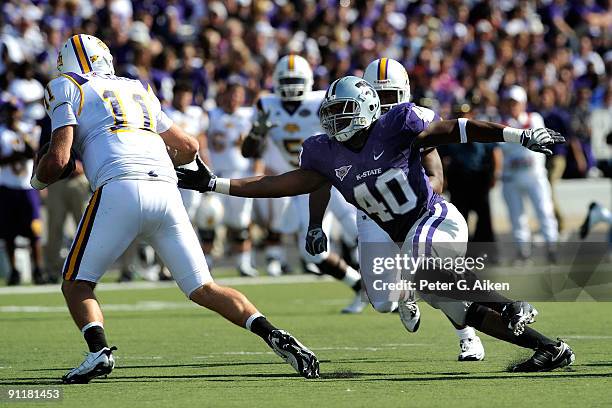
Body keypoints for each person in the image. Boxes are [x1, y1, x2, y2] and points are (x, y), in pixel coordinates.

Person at [177, 75, 574, 372]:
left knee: (424, 271)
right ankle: (549, 347)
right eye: (330, 114)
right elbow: (277, 183)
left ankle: (514, 303)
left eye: (342, 112)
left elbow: (457, 129)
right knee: (457, 307)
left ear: (367, 109)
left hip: (433, 217)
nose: (334, 121)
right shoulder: (325, 152)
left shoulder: (396, 123)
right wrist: (215, 183)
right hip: (404, 235)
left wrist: (517, 136)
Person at [32, 34, 319, 383]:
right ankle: (272, 333)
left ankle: (98, 351)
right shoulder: (136, 86)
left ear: (66, 64)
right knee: (204, 288)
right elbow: (188, 146)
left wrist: (38, 181)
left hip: (119, 186)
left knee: (76, 282)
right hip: (166, 189)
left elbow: (58, 159)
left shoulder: (66, 85)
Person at [306, 59, 485, 361]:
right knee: (382, 302)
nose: (383, 104)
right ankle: (405, 292)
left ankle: (467, 335)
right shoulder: (347, 130)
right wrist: (315, 223)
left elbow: (437, 179)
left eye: (389, 96)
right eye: (378, 95)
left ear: (403, 94)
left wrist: (403, 199)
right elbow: (321, 178)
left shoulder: (406, 125)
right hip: (371, 214)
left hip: (412, 211)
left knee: (433, 273)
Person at [242, 54, 365, 313]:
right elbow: (248, 151)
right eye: (285, 81)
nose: (290, 86)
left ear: (308, 80)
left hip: (336, 178)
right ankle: (360, 287)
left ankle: (401, 287)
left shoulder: (321, 100)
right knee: (314, 254)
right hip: (302, 185)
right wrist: (257, 132)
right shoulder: (266, 105)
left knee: (361, 232)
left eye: (295, 80)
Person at [206, 80, 259, 276]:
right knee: (209, 219)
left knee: (241, 222)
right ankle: (207, 262)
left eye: (238, 95)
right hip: (217, 174)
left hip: (241, 175)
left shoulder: (248, 114)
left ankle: (243, 262)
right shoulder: (211, 114)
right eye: (231, 94)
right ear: (223, 95)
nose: (234, 99)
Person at [499, 86, 558, 261]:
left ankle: (551, 246)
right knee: (517, 217)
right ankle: (522, 251)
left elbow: (535, 138)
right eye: (509, 103)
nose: (512, 107)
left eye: (515, 103)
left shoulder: (534, 119)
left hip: (535, 176)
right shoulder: (502, 123)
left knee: (545, 211)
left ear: (523, 103)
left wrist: (515, 141)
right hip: (511, 178)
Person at [0, 100, 45, 285]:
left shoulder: (28, 129)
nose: (12, 114)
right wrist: (16, 155)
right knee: (8, 233)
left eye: (15, 110)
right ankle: (14, 271)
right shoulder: (1, 132)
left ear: (20, 111)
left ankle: (38, 270)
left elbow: (33, 151)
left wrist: (21, 134)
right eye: (8, 111)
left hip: (27, 187)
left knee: (34, 231)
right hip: (7, 186)